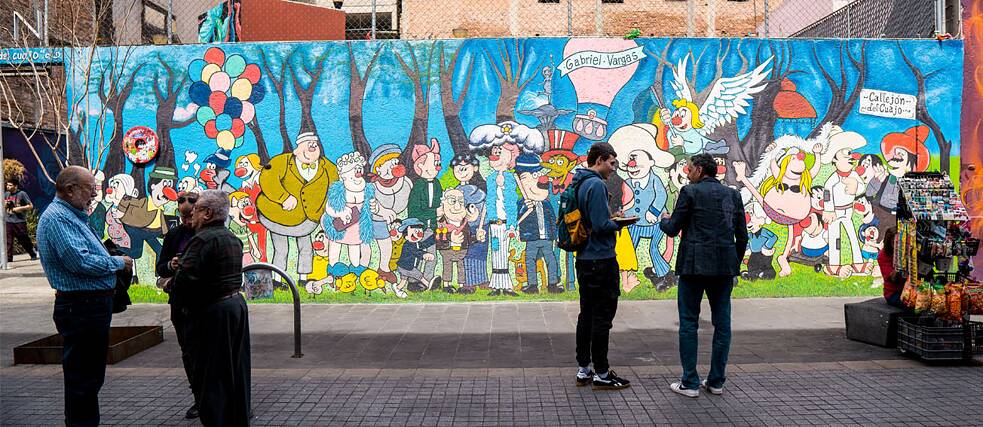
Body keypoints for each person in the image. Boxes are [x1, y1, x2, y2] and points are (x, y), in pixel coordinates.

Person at [36, 166, 134, 427]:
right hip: (81, 307)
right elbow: (79, 261)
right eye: (91, 189)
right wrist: (117, 263)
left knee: (90, 376)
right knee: (83, 379)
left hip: (89, 305)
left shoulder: (73, 215)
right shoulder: (58, 218)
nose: (94, 194)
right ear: (70, 190)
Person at [659, 153, 747, 398]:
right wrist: (734, 264)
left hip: (693, 266)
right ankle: (716, 381)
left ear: (699, 169)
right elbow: (742, 235)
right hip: (723, 267)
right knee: (723, 324)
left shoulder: (690, 192)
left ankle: (689, 382)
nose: (687, 172)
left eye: (689, 168)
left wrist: (663, 219)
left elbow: (673, 227)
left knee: (689, 322)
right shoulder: (733, 194)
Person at [170, 190, 251, 426]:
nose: (191, 214)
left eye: (195, 209)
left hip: (212, 314)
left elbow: (183, 285)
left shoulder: (203, 240)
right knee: (235, 372)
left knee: (210, 377)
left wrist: (169, 282)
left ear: (207, 213)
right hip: (234, 308)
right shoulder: (231, 238)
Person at [572, 142, 636, 391]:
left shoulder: (579, 182)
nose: (613, 168)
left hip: (585, 259)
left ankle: (583, 369)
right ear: (599, 160)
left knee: (586, 314)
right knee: (602, 317)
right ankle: (601, 372)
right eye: (611, 163)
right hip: (601, 259)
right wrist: (620, 222)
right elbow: (600, 225)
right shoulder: (596, 184)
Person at [155, 192, 199, 419]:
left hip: (205, 303)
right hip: (180, 302)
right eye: (183, 217)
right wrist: (171, 266)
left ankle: (217, 395)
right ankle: (198, 397)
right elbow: (160, 268)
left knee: (210, 351)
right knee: (188, 351)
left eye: (190, 215)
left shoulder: (210, 233)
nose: (187, 221)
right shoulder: (174, 235)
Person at [5, 178, 37, 262]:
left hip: (19, 221)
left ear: (15, 186)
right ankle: (8, 258)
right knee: (8, 241)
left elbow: (30, 206)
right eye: (7, 185)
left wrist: (19, 208)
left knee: (23, 239)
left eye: (10, 185)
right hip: (8, 220)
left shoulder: (22, 194)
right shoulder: (6, 194)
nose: (8, 187)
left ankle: (32, 253)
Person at [878, 227, 906, 308]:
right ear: (889, 242)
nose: (898, 245)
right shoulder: (883, 256)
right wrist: (899, 263)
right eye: (895, 242)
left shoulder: (906, 251)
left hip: (907, 289)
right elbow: (893, 278)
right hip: (893, 293)